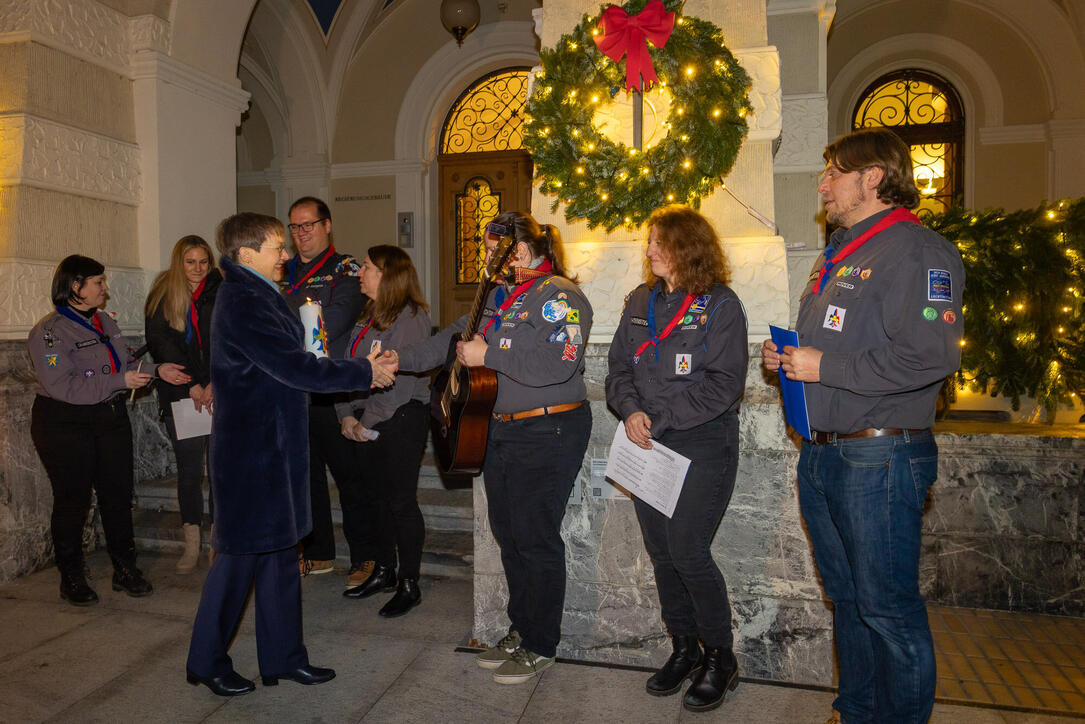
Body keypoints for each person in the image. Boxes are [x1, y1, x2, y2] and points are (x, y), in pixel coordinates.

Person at [762, 127, 964, 724]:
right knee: (848, 602)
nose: (822, 184)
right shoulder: (842, 252)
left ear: (872, 177)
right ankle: (855, 712)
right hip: (825, 454)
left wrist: (824, 364)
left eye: (833, 173)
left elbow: (930, 356)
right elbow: (835, 342)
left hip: (880, 457)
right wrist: (789, 359)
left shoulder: (917, 252)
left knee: (888, 609)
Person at [185, 212, 397, 697]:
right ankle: (207, 660)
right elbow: (295, 368)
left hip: (275, 450)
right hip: (251, 457)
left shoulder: (262, 294)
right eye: (277, 247)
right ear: (246, 255)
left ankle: (283, 657)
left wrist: (354, 366)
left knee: (281, 558)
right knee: (237, 561)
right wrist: (363, 372)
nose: (286, 255)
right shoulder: (241, 300)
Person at [396, 210, 592, 685]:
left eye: (492, 248)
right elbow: (448, 341)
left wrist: (491, 354)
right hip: (501, 430)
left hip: (549, 431)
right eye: (486, 249)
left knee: (535, 536)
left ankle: (542, 642)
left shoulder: (561, 296)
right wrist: (395, 361)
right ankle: (521, 628)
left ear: (521, 250)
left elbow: (557, 364)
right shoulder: (499, 300)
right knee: (509, 533)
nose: (487, 257)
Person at [605, 205, 748, 712]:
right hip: (645, 441)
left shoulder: (721, 306)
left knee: (688, 549)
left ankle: (721, 657)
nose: (649, 251)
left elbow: (725, 386)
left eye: (658, 242)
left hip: (702, 443)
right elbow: (618, 366)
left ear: (687, 248)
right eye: (650, 242)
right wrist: (629, 410)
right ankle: (684, 648)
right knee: (662, 552)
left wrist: (657, 418)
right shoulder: (640, 301)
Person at [29, 255, 191, 606]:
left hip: (109, 418)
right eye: (98, 282)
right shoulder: (50, 332)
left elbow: (124, 363)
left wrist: (157, 369)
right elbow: (62, 385)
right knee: (73, 500)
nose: (106, 289)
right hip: (66, 422)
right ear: (76, 286)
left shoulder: (103, 321)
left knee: (117, 495)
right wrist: (121, 380)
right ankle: (71, 577)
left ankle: (125, 569)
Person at [337, 245, 432, 617]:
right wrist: (345, 413)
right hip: (364, 417)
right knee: (374, 499)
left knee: (399, 502)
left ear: (388, 275)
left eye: (367, 267)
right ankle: (384, 569)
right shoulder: (366, 315)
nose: (360, 272)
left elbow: (400, 387)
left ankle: (409, 582)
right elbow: (347, 368)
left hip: (400, 420)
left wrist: (365, 422)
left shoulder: (410, 318)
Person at [283, 196, 365, 578]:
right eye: (295, 227)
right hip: (294, 388)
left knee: (350, 476)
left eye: (308, 225)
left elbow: (337, 318)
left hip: (333, 390)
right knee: (307, 472)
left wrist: (283, 338)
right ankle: (319, 551)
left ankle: (365, 555)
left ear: (327, 225)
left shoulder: (344, 269)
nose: (301, 234)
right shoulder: (280, 272)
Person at [145, 235, 222, 574]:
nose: (198, 269)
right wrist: (192, 384)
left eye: (203, 262)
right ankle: (192, 543)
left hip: (220, 391)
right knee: (190, 472)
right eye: (191, 262)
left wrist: (214, 383)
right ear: (179, 262)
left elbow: (228, 339)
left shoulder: (222, 290)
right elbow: (161, 341)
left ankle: (219, 543)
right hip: (181, 393)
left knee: (220, 470)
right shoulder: (163, 292)